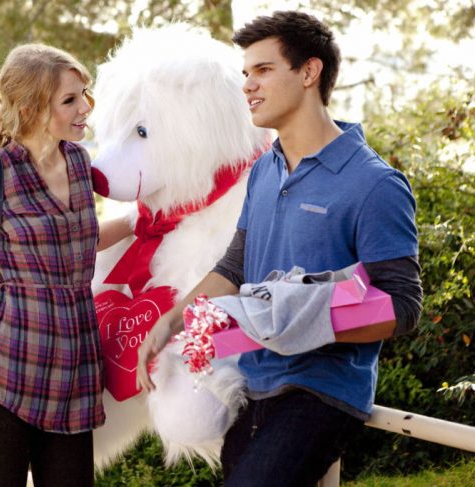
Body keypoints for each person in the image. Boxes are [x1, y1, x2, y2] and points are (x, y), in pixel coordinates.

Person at [137, 11, 423, 487]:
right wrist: (172, 320)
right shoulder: (265, 171)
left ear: (309, 73)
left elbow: (404, 306)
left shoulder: (375, 184)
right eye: (246, 74)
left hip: (321, 393)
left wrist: (301, 323)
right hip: (252, 385)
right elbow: (234, 264)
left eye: (264, 70)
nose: (248, 85)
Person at [0, 44, 127, 487]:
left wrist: (139, 222)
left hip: (76, 373)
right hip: (8, 370)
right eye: (70, 99)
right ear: (33, 108)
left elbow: (77, 243)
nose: (85, 108)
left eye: (85, 94)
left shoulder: (78, 161)